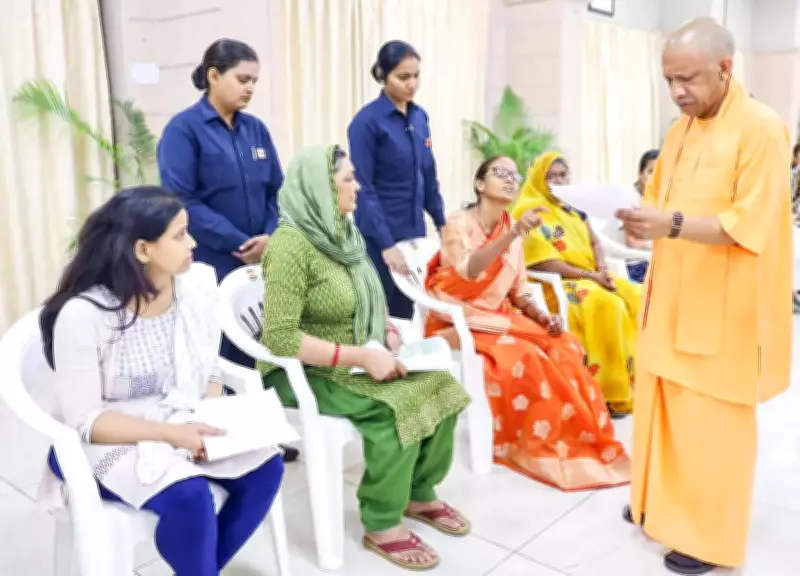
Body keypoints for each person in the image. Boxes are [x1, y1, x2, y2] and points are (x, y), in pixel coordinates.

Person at [616, 18, 792, 575]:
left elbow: (747, 223)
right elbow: (658, 197)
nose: (678, 92)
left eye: (688, 79)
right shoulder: (680, 129)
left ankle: (709, 538)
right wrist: (637, 224)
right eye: (669, 80)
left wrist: (665, 222)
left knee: (711, 426)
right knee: (663, 407)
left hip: (723, 305)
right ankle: (655, 504)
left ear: (725, 69)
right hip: (668, 292)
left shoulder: (763, 129)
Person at [38, 187, 284, 576]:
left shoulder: (193, 290)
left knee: (267, 464)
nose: (194, 243)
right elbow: (87, 422)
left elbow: (208, 369)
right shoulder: (84, 315)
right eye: (180, 234)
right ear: (142, 250)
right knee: (190, 496)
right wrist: (172, 435)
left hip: (176, 417)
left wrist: (212, 419)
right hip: (102, 439)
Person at [259, 145, 471, 571]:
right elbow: (280, 337)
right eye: (347, 179)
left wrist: (389, 333)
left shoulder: (345, 233)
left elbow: (366, 298)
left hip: (361, 353)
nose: (357, 187)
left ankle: (418, 491)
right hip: (308, 369)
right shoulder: (289, 247)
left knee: (443, 387)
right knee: (395, 407)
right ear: (321, 187)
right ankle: (381, 523)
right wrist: (358, 354)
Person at [424, 156, 630, 490]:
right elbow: (468, 271)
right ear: (479, 184)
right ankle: (535, 445)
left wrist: (541, 315)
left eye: (514, 175)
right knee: (529, 357)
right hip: (458, 317)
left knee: (566, 345)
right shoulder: (458, 223)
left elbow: (519, 290)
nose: (510, 179)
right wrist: (514, 234)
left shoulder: (511, 229)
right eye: (500, 173)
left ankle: (572, 441)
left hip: (500, 316)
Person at [157, 39, 283, 365]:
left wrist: (270, 237)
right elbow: (181, 200)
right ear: (214, 76)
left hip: (258, 258)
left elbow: (277, 192)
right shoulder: (183, 130)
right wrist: (240, 243)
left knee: (249, 348)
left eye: (254, 81)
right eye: (243, 80)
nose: (251, 88)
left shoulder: (256, 130)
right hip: (211, 261)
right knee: (215, 355)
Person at [511, 153, 642, 417]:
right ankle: (607, 393)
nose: (559, 181)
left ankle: (639, 386)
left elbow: (595, 243)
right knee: (607, 304)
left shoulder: (573, 207)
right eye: (552, 177)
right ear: (539, 179)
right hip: (556, 284)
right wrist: (592, 277)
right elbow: (542, 263)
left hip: (590, 276)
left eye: (564, 175)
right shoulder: (529, 210)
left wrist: (602, 268)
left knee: (641, 296)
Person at [348, 40, 446, 319]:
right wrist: (386, 244)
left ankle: (404, 364)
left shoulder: (419, 116)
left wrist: (441, 222)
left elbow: (428, 173)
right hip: (379, 236)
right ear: (383, 74)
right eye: (403, 77)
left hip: (412, 231)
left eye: (416, 76)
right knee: (379, 315)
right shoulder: (366, 122)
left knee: (406, 310)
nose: (411, 84)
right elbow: (363, 189)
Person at [625, 149, 659, 283]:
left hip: (659, 262)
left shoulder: (664, 201)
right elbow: (634, 243)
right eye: (651, 172)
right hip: (638, 264)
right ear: (640, 173)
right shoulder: (630, 200)